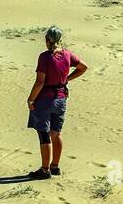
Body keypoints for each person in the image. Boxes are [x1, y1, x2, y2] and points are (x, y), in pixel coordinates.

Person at [26, 27, 87, 179]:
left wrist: (31, 99)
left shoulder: (45, 57)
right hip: (61, 99)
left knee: (44, 134)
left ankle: (45, 170)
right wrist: (67, 79)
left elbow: (40, 82)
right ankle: (55, 166)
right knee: (56, 133)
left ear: (47, 40)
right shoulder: (67, 54)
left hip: (45, 99)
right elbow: (83, 67)